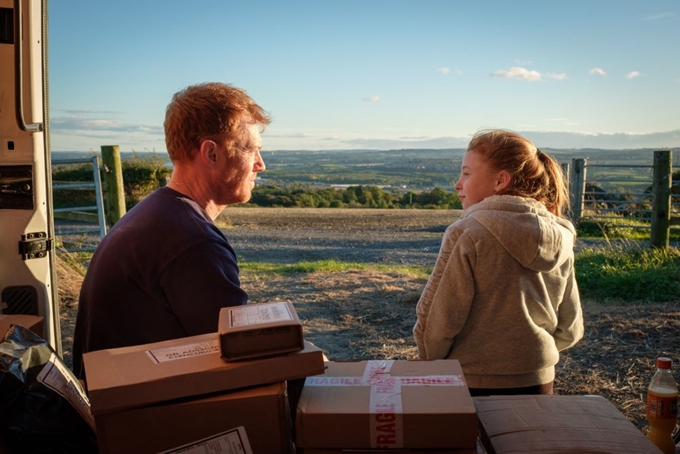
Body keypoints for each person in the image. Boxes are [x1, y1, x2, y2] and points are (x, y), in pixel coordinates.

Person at [72, 82, 271, 380]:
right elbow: (245, 359)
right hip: (145, 418)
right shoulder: (193, 242)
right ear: (211, 153)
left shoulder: (158, 213)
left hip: (118, 404)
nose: (260, 165)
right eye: (252, 149)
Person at [413, 129, 584, 396]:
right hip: (539, 379)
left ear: (500, 181)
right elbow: (570, 328)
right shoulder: (561, 235)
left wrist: (429, 360)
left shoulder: (468, 233)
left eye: (467, 173)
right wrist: (531, 354)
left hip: (472, 380)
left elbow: (438, 320)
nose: (457, 184)